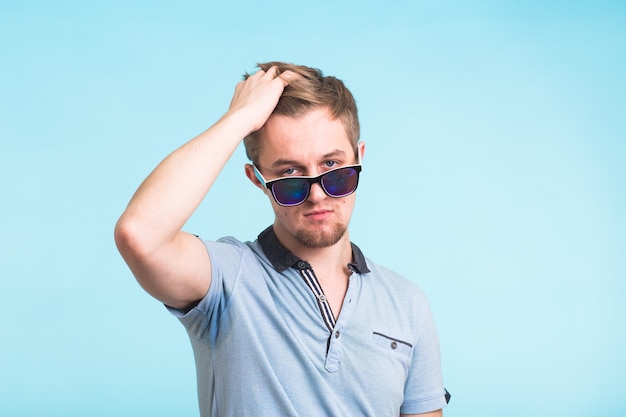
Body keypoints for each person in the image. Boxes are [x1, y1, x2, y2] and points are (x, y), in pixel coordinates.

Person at [115, 61, 450, 416]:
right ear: (257, 180)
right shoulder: (227, 279)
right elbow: (140, 235)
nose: (318, 194)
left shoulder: (407, 303)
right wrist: (240, 118)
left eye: (333, 168)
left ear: (359, 158)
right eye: (290, 174)